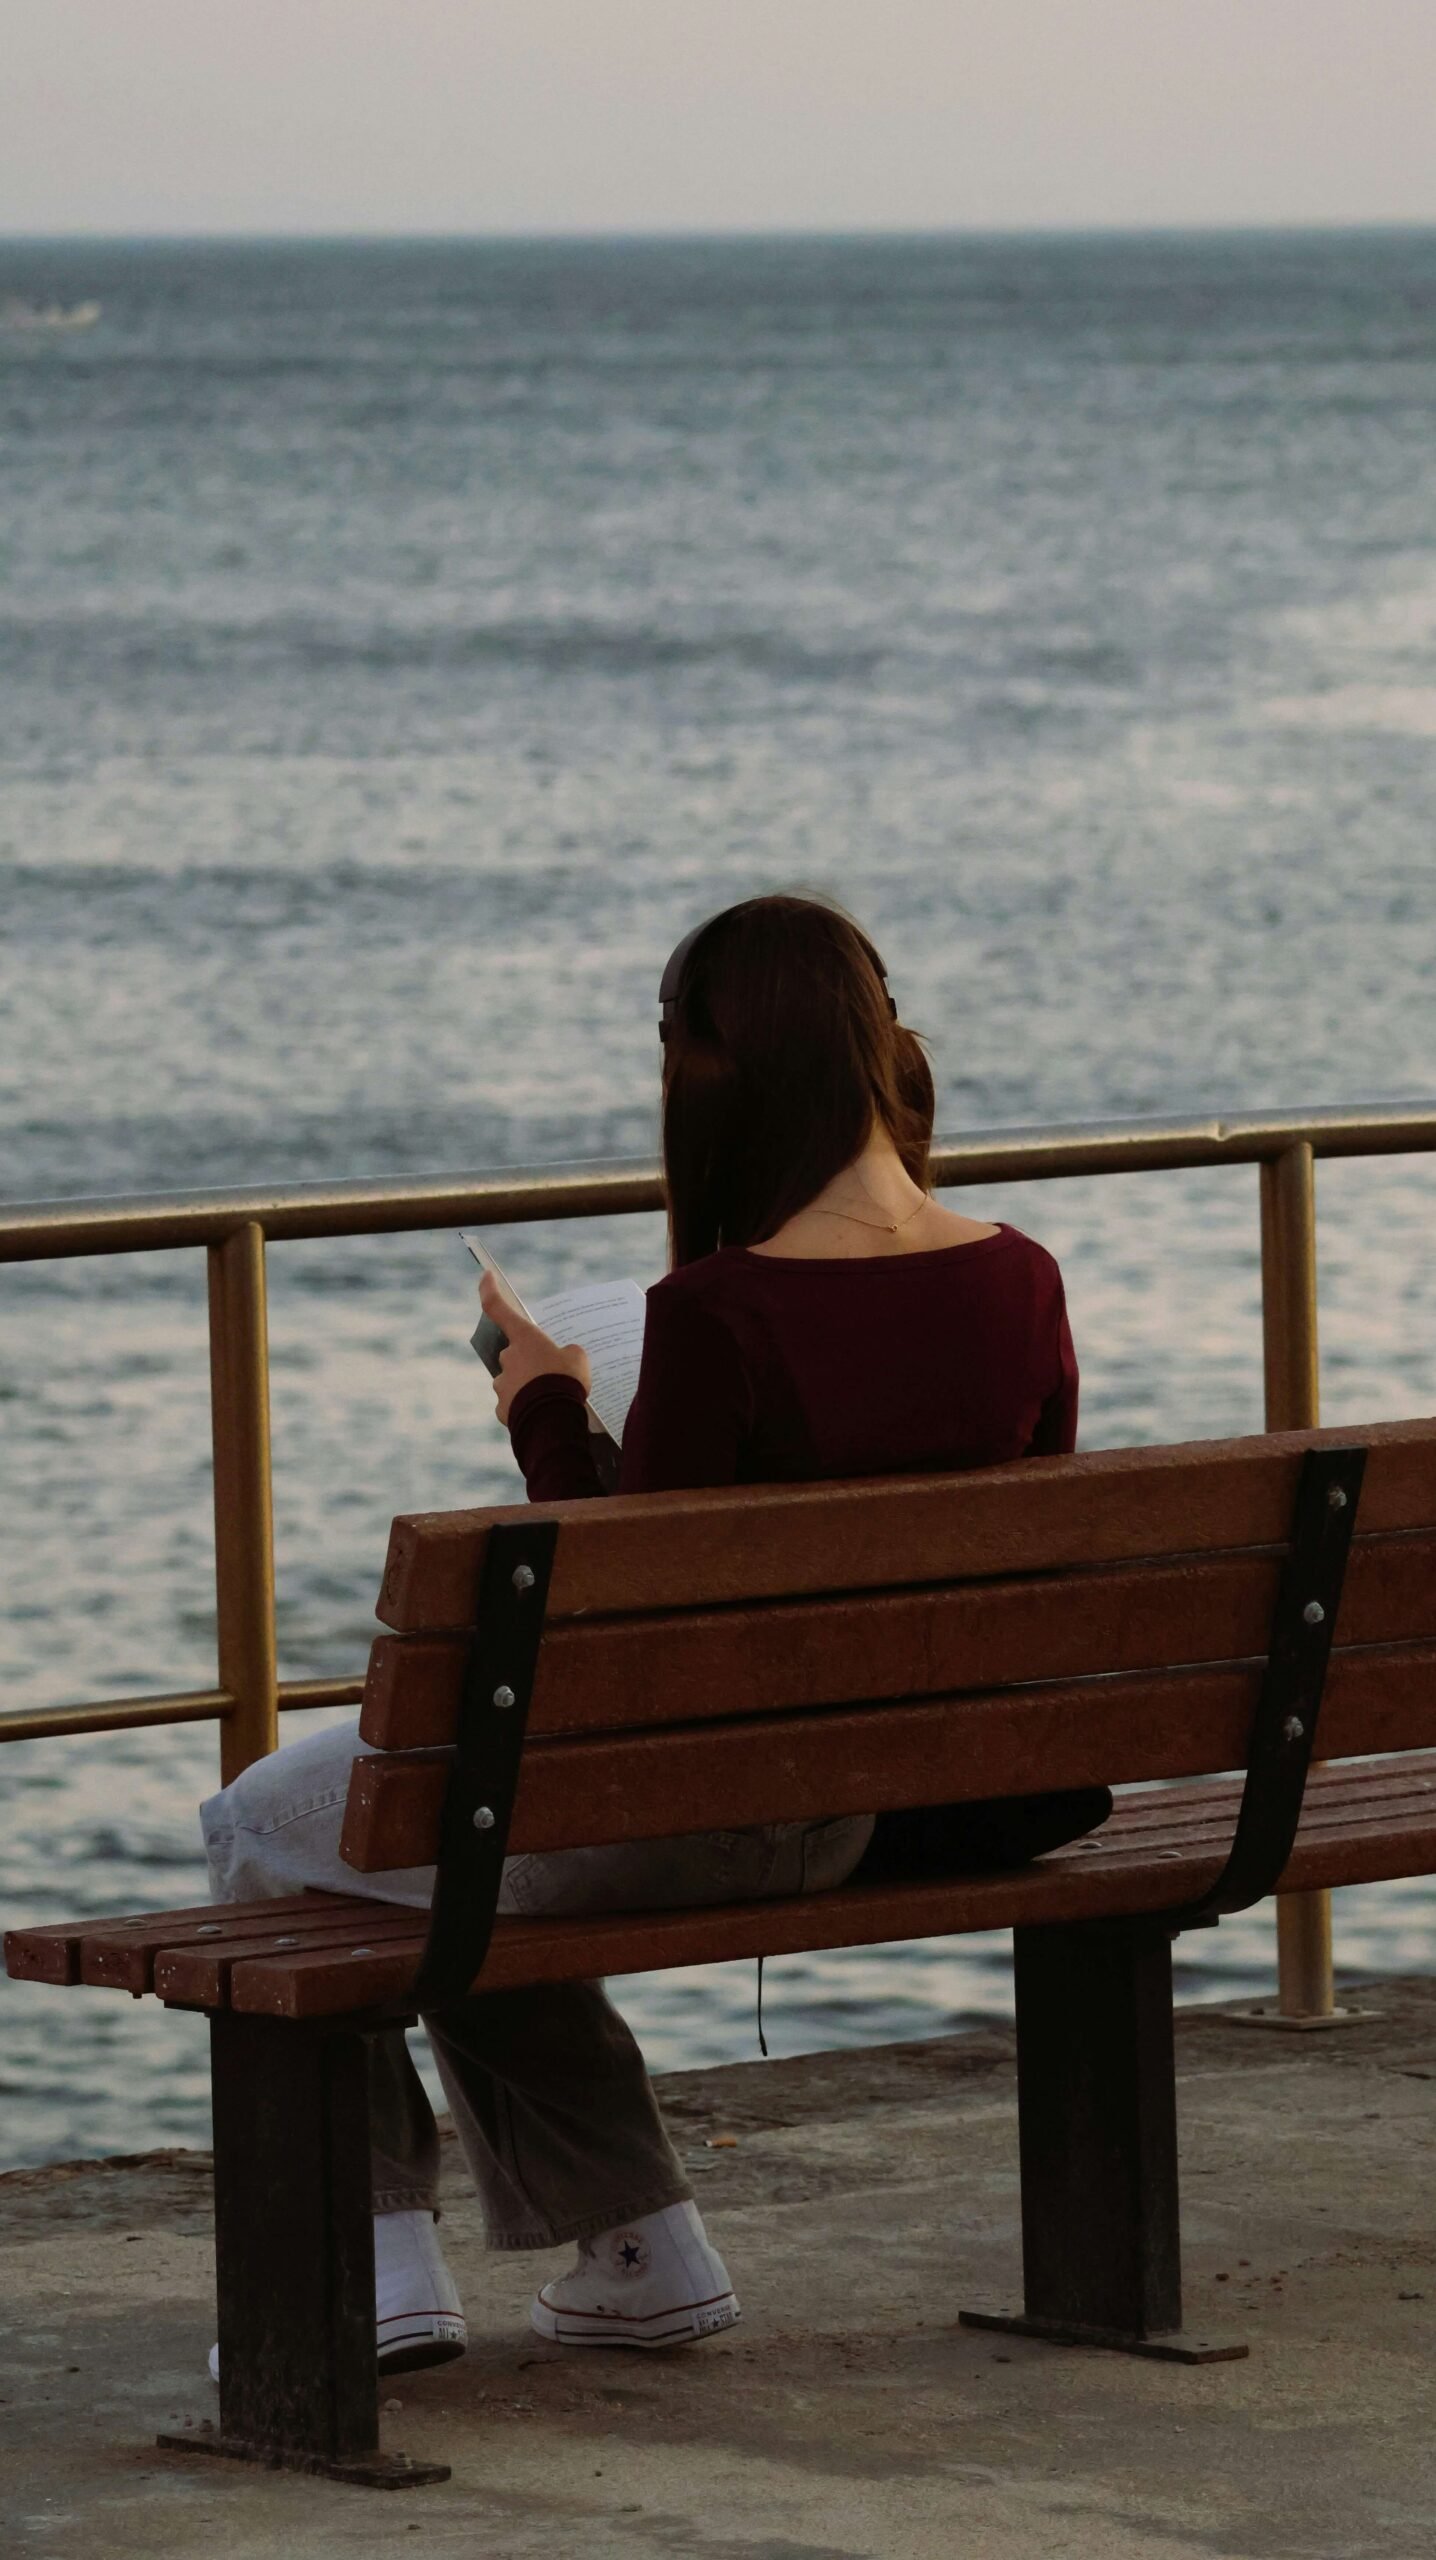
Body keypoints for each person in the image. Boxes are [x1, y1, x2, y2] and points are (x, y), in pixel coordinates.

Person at [200, 892, 1103, 2377]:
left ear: (712, 1078)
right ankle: (637, 2250)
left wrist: (545, 1405)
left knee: (267, 1826)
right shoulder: (1023, 1277)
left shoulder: (718, 1313)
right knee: (457, 1840)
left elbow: (613, 1635)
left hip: (721, 1813)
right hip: (906, 1799)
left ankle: (374, 2261)